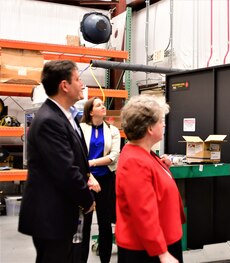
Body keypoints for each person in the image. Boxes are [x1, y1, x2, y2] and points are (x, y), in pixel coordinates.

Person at [18, 60, 96, 263]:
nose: (83, 85)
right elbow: (65, 171)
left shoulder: (67, 116)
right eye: (78, 79)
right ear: (64, 85)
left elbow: (76, 160)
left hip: (63, 213)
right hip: (51, 217)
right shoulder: (49, 121)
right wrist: (87, 200)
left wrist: (87, 177)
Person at [115, 95, 185, 263]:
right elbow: (143, 212)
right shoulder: (135, 162)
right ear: (149, 129)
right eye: (161, 120)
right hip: (147, 251)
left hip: (160, 241)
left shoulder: (144, 155)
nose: (164, 124)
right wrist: (162, 253)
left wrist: (163, 168)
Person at [79, 97, 121, 263]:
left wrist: (91, 162)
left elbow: (114, 156)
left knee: (105, 223)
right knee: (85, 223)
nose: (103, 107)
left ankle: (105, 260)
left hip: (106, 180)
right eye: (98, 105)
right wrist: (89, 173)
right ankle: (81, 259)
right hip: (86, 179)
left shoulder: (113, 130)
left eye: (103, 105)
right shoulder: (81, 129)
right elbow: (77, 155)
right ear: (90, 111)